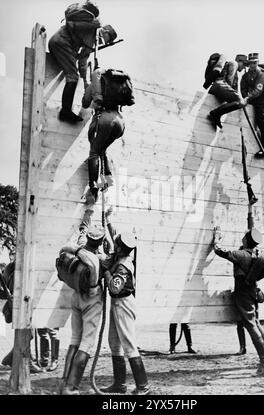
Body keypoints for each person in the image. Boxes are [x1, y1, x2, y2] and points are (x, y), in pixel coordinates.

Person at [212, 226, 264, 376]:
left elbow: (219, 251)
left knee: (250, 324)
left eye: (244, 236)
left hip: (243, 292)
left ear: (247, 240)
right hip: (254, 290)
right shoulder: (258, 253)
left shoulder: (240, 254)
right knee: (257, 323)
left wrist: (217, 237)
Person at [99, 208, 150, 395]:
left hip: (123, 303)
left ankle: (143, 386)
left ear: (121, 248)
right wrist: (108, 219)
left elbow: (114, 287)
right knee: (114, 342)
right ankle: (119, 384)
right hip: (116, 303)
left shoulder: (123, 265)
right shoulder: (121, 254)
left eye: (117, 244)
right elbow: (114, 236)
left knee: (128, 343)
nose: (115, 245)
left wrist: (105, 272)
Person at [58, 198, 105, 395]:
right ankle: (71, 387)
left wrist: (89, 209)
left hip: (75, 297)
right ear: (100, 242)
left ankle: (64, 382)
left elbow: (83, 229)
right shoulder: (97, 260)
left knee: (75, 339)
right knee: (86, 343)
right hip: (91, 302)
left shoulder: (80, 246)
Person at [48, 2, 117, 124]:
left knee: (72, 73)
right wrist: (85, 80)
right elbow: (83, 62)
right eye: (107, 40)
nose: (104, 43)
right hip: (61, 44)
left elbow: (81, 60)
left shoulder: (90, 29)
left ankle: (66, 110)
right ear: (105, 33)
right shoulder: (93, 34)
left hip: (56, 41)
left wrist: (84, 79)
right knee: (73, 77)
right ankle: (65, 112)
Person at [82, 68, 125, 201]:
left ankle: (93, 187)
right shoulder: (114, 84)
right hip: (119, 123)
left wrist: (88, 90)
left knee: (94, 152)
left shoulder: (94, 85)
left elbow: (85, 103)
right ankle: (107, 177)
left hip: (104, 119)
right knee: (102, 149)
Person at [0, 254, 43, 373]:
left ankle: (9, 359)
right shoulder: (11, 269)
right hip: (17, 304)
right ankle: (26, 361)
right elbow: (5, 289)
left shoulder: (15, 268)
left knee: (28, 334)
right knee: (27, 334)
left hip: (23, 302)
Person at [241, 53, 264, 158]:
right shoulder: (245, 76)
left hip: (262, 101)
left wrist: (247, 98)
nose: (252, 65)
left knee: (260, 120)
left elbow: (258, 90)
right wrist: (246, 97)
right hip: (252, 100)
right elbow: (243, 88)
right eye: (250, 63)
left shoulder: (261, 74)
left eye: (254, 63)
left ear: (257, 63)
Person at [204, 53, 245, 129]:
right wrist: (230, 95)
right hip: (220, 85)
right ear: (240, 61)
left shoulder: (230, 64)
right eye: (244, 64)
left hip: (215, 87)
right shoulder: (234, 63)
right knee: (241, 101)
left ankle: (216, 114)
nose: (244, 67)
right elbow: (229, 80)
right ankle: (216, 114)